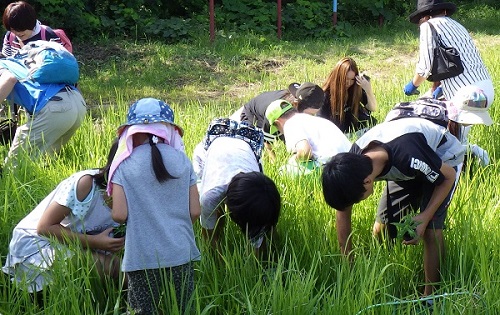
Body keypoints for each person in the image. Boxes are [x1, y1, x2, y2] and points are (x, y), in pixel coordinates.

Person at [321, 114, 466, 297]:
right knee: (381, 228)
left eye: (356, 200)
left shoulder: (408, 156)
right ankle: (384, 267)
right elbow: (342, 213)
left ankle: (431, 297)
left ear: (367, 182)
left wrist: (425, 216)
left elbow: (448, 177)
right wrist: (348, 268)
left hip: (442, 158)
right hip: (406, 166)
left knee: (430, 231)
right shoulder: (352, 162)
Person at [108, 98, 201, 314]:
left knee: (142, 310)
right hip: (181, 253)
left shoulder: (123, 164)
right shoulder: (182, 160)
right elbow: (195, 211)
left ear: (131, 132)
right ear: (168, 130)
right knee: (184, 309)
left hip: (142, 257)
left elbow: (119, 215)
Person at [2, 139, 124, 295]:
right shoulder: (87, 184)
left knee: (128, 267)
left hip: (77, 244)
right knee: (113, 267)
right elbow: (44, 227)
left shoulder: (137, 194)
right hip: (39, 243)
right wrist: (95, 242)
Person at [192, 118, 281, 255]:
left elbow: (258, 231)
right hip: (209, 153)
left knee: (260, 219)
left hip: (244, 146)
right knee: (216, 217)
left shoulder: (259, 182)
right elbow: (209, 238)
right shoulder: (210, 196)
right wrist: (222, 270)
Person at [403, 0, 494, 107]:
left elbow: (425, 67)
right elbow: (456, 62)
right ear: (445, 11)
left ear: (424, 16)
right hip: (487, 92)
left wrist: (412, 86)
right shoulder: (458, 26)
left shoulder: (428, 26)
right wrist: (441, 88)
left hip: (468, 95)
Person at [231, 82, 325, 156]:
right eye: (309, 114)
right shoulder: (275, 110)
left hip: (266, 108)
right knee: (255, 147)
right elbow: (267, 142)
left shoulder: (296, 105)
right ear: (296, 104)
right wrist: (275, 164)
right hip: (251, 116)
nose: (311, 118)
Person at [265, 99, 351, 174]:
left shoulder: (290, 124)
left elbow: (305, 152)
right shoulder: (311, 119)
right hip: (350, 159)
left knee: (282, 171)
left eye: (277, 128)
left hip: (334, 166)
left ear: (277, 122)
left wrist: (294, 159)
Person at [317, 57, 378, 136]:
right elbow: (320, 122)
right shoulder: (325, 95)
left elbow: (372, 108)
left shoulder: (354, 88)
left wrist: (368, 89)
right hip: (340, 135)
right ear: (338, 77)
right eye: (345, 79)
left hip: (362, 130)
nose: (349, 83)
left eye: (352, 79)